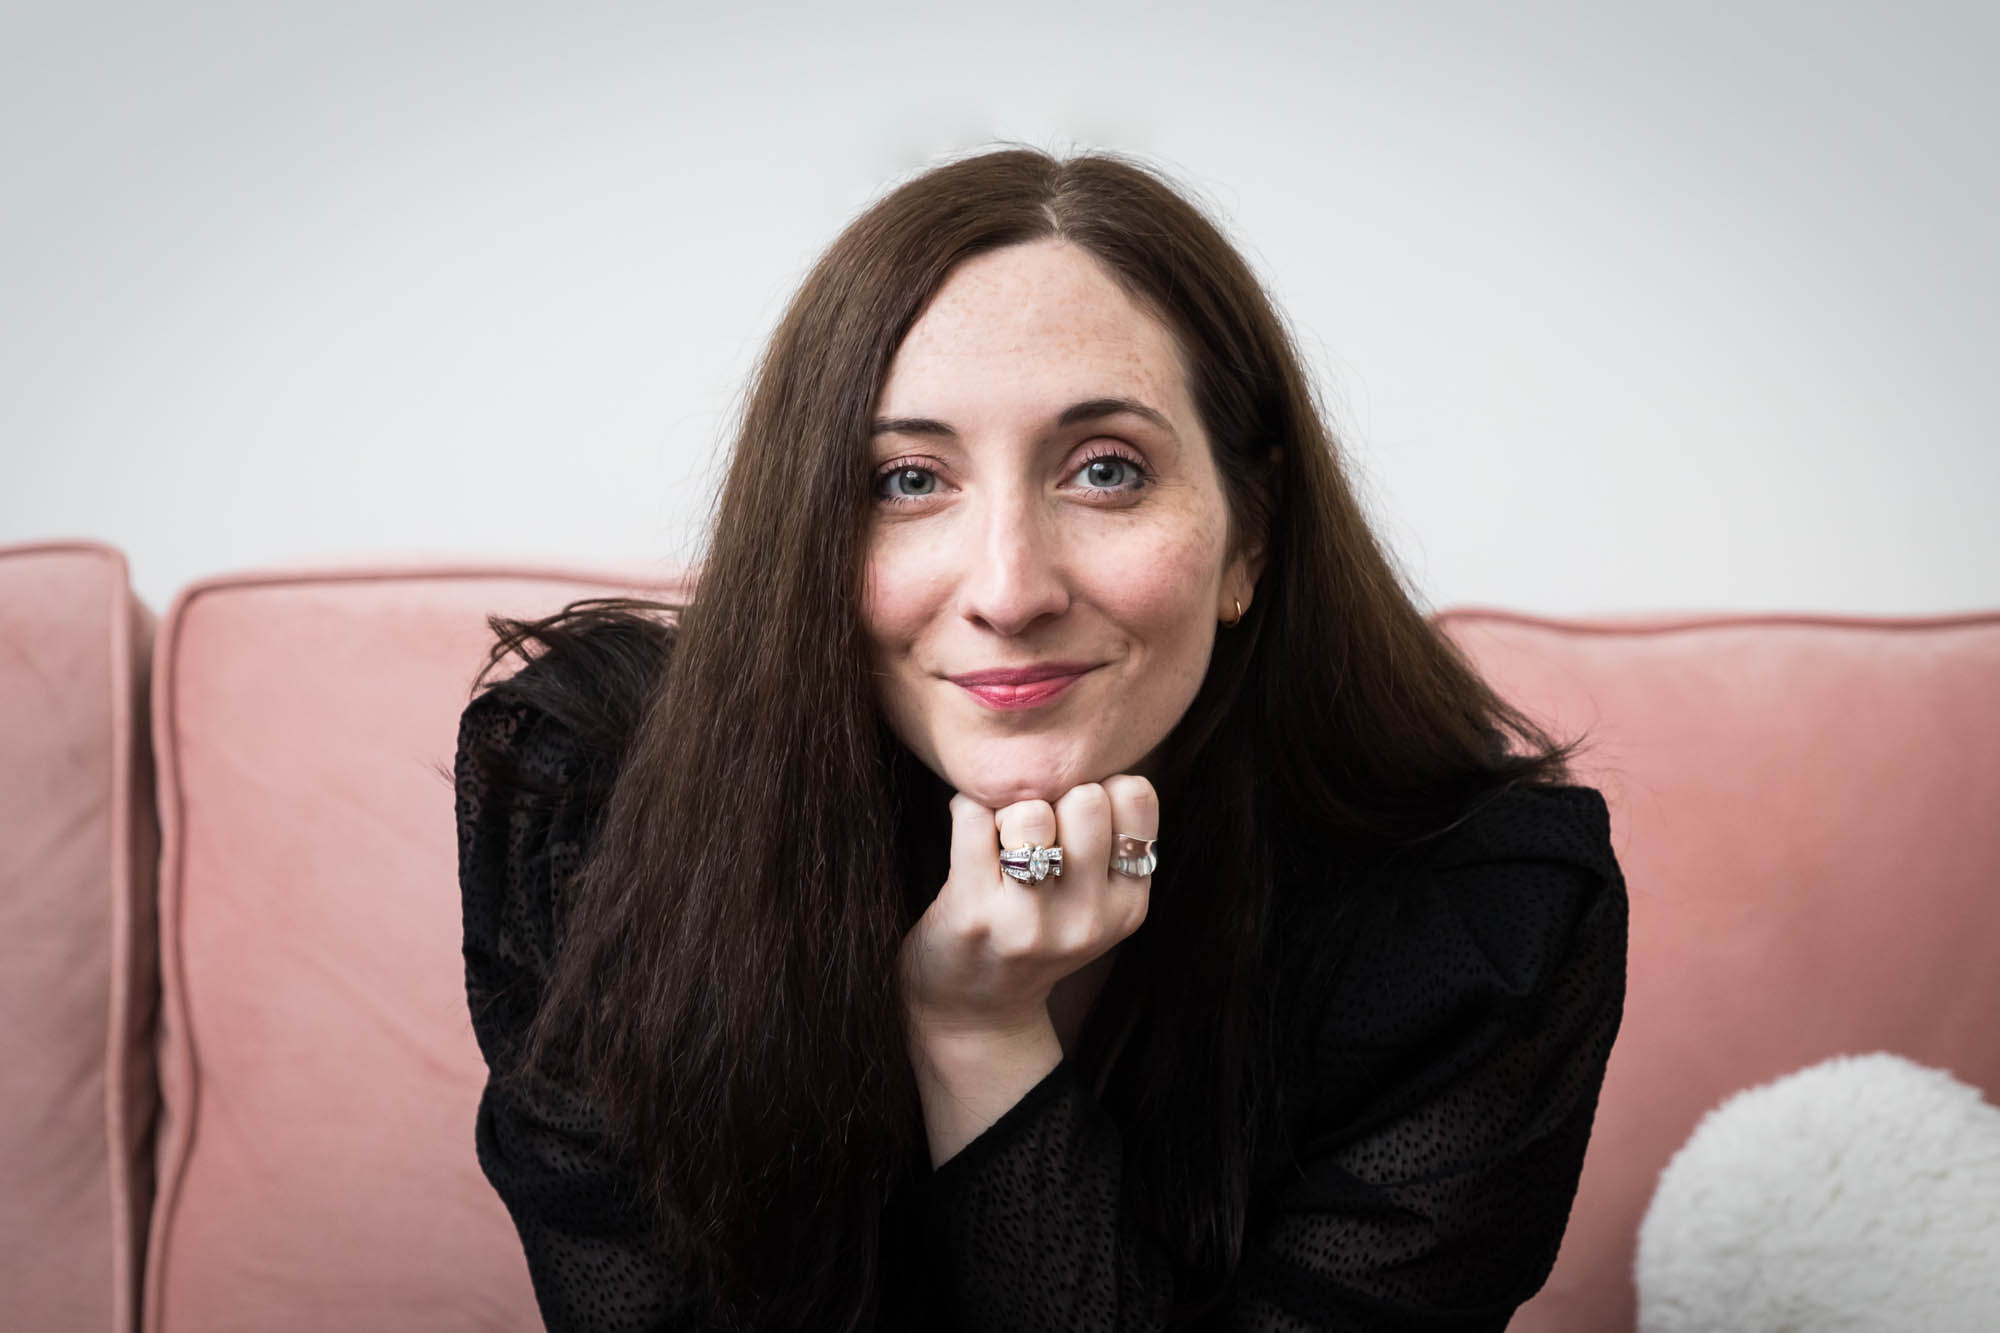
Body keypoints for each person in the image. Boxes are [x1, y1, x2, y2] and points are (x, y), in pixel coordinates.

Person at [455, 147, 1627, 1333]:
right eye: (908, 479)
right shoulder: (593, 800)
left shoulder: (1484, 922)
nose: (1008, 590)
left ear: (1249, 534)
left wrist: (980, 1035)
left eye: (1105, 470)